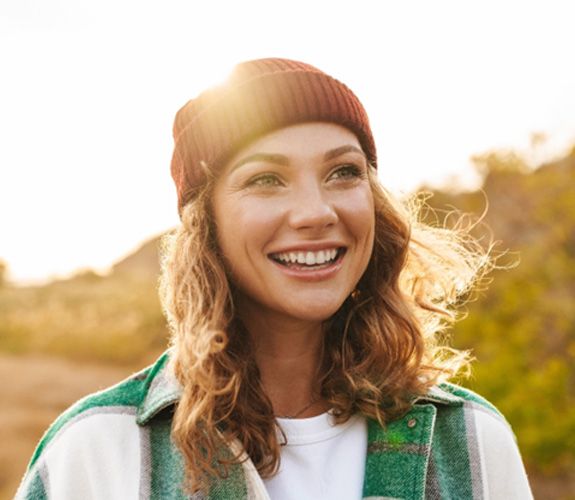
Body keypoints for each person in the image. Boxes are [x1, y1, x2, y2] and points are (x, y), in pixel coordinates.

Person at [16, 58, 533, 499]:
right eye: (266, 179)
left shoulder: (469, 438)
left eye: (343, 172)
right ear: (207, 224)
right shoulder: (97, 452)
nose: (316, 212)